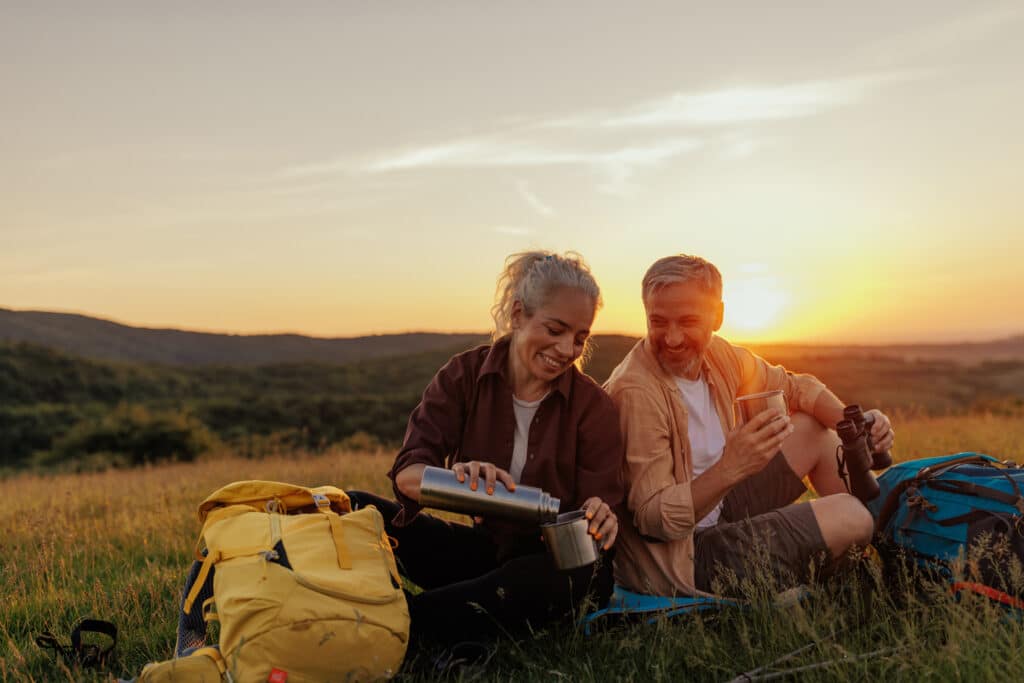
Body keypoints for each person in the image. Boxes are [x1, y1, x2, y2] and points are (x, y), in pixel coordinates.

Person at [348, 251, 623, 649]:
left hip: (550, 565)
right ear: (517, 314)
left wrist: (601, 515)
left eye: (580, 337)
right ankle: (453, 618)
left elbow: (601, 512)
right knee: (357, 508)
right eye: (555, 329)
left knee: (586, 574)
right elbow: (408, 473)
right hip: (484, 552)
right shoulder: (463, 376)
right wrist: (459, 477)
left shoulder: (593, 407)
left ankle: (400, 626)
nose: (567, 349)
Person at [604, 254, 895, 597]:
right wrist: (732, 466)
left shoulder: (719, 356)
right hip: (684, 557)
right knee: (852, 516)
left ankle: (897, 553)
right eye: (658, 322)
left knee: (811, 429)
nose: (672, 338)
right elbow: (655, 521)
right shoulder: (636, 391)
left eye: (687, 321)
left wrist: (855, 425)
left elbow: (795, 387)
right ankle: (848, 568)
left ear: (718, 316)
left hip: (722, 508)